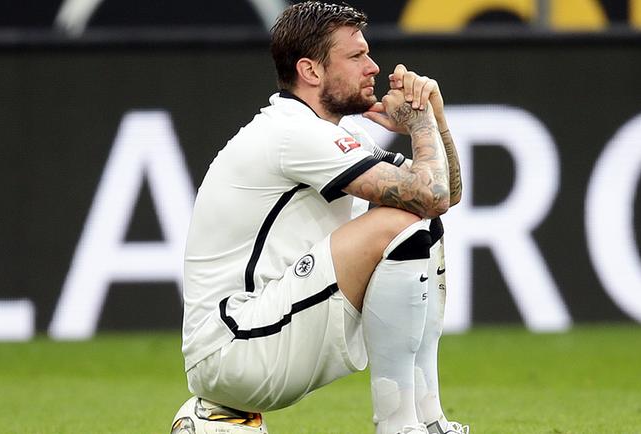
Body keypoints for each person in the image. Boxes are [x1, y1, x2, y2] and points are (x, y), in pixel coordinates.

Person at [170, 2, 468, 434]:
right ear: (310, 71)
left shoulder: (336, 133)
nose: (373, 67)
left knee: (419, 223)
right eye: (356, 56)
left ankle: (428, 420)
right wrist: (420, 125)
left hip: (262, 332)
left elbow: (445, 195)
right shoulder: (293, 132)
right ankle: (400, 425)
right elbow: (432, 195)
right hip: (235, 346)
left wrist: (435, 119)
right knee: (398, 224)